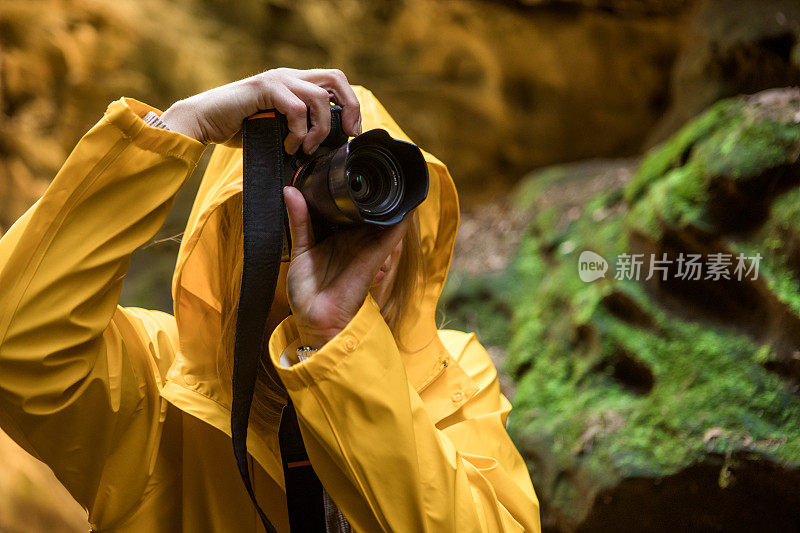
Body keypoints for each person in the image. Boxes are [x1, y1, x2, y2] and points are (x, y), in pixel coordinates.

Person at [0, 67, 540, 532]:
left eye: (371, 200)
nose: (346, 230)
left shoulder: (448, 372)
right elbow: (17, 345)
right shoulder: (160, 387)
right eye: (304, 206)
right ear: (237, 238)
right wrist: (184, 125)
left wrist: (338, 347)